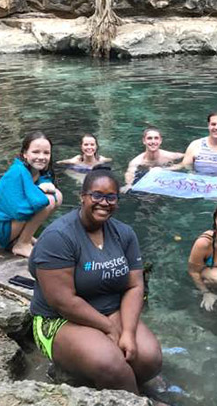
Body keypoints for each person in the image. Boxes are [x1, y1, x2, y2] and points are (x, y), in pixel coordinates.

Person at [28, 168, 162, 393]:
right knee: (111, 366)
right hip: (58, 319)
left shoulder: (124, 233)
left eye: (111, 197)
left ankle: (123, 387)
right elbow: (63, 302)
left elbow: (135, 285)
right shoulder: (58, 237)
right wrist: (108, 328)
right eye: (97, 195)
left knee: (149, 359)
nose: (104, 202)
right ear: (82, 196)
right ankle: (126, 391)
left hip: (110, 309)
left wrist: (127, 332)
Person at [0, 132, 63, 257]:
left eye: (46, 153)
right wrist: (40, 191)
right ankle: (22, 244)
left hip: (14, 221)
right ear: (25, 154)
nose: (41, 157)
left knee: (57, 195)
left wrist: (41, 191)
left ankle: (25, 236)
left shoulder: (41, 173)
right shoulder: (17, 172)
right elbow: (20, 211)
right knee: (48, 201)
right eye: (36, 152)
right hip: (0, 226)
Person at [121, 126, 184, 193]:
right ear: (144, 141)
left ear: (160, 141)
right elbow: (130, 173)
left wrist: (165, 170)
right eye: (149, 138)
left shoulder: (170, 156)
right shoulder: (136, 162)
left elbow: (186, 160)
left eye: (156, 138)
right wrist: (128, 184)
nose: (153, 141)